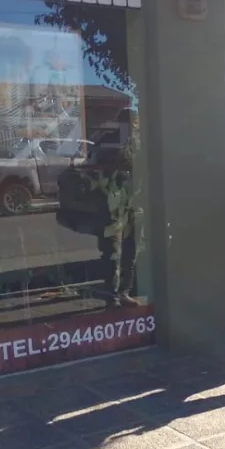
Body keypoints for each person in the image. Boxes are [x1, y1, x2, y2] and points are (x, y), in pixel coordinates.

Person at [91, 108, 141, 308]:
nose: (134, 127)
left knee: (130, 250)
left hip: (131, 204)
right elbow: (97, 171)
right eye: (133, 123)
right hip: (111, 205)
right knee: (112, 253)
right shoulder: (107, 142)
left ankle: (124, 292)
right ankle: (111, 295)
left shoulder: (136, 142)